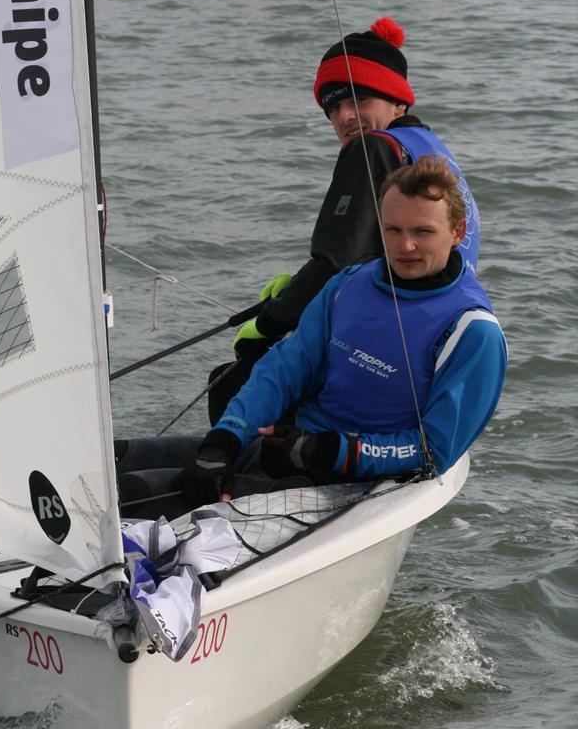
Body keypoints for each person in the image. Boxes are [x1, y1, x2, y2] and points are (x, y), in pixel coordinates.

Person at [178, 155, 507, 507]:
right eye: (392, 230)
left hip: (352, 484)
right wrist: (224, 439)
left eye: (422, 232)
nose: (404, 246)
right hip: (287, 451)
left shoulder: (473, 331)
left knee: (145, 500)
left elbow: (434, 451)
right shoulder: (350, 283)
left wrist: (332, 451)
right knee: (122, 470)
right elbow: (285, 369)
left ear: (457, 232)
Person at [207, 14, 480, 423]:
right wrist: (296, 288)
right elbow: (364, 258)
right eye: (333, 107)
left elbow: (335, 260)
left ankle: (238, 481)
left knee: (229, 383)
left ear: (397, 101)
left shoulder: (371, 147)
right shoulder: (430, 150)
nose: (345, 117)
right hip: (430, 352)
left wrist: (269, 321)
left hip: (381, 351)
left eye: (358, 100)